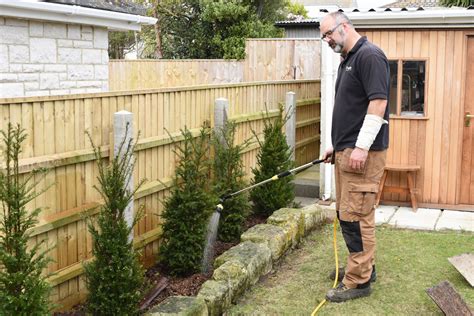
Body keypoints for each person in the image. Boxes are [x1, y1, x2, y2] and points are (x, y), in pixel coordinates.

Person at [320, 12, 390, 303]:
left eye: (328, 34)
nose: (326, 41)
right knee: (348, 213)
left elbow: (378, 101)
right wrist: (337, 145)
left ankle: (359, 281)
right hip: (347, 152)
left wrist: (360, 147)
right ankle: (362, 267)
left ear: (344, 27)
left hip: (364, 154)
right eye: (323, 36)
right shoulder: (347, 59)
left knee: (358, 217)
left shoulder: (370, 56)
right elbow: (351, 108)